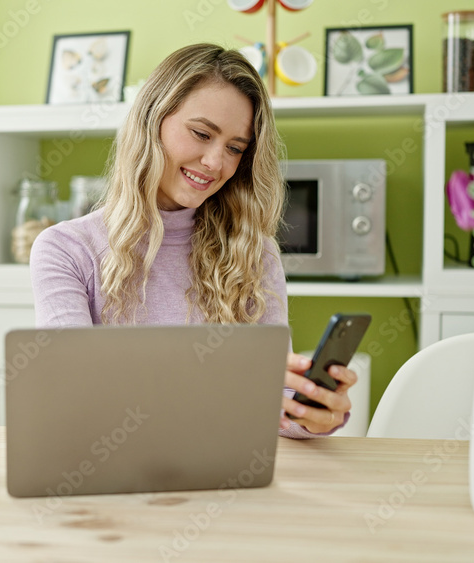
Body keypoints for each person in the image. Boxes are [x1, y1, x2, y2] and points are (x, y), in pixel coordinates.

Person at [29, 43, 354, 438]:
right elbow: (76, 393)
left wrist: (311, 413)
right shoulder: (66, 249)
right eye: (202, 134)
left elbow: (275, 400)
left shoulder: (254, 250)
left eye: (235, 148)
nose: (216, 163)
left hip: (223, 468)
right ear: (153, 120)